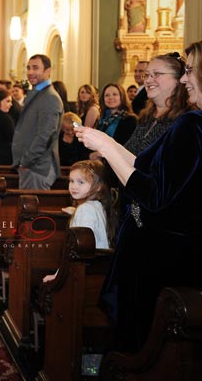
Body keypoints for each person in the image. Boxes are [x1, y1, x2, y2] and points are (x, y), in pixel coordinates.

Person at [74, 41, 202, 353]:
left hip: (161, 254)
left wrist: (104, 148)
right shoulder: (176, 121)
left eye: (189, 72)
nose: (185, 80)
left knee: (143, 344)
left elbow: (154, 194)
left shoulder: (190, 123)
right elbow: (140, 163)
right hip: (157, 246)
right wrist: (105, 141)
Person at [43, 160, 115, 283]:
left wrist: (57, 276)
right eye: (71, 181)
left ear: (98, 187)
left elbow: (77, 249)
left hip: (81, 273)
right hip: (98, 269)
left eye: (81, 182)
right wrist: (77, 211)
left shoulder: (85, 209)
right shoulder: (98, 206)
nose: (74, 186)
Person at [12, 54, 64, 189]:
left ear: (48, 71)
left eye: (35, 68)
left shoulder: (50, 97)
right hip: (32, 166)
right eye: (28, 68)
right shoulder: (37, 93)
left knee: (32, 208)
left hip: (38, 168)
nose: (30, 72)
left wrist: (26, 161)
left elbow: (45, 135)